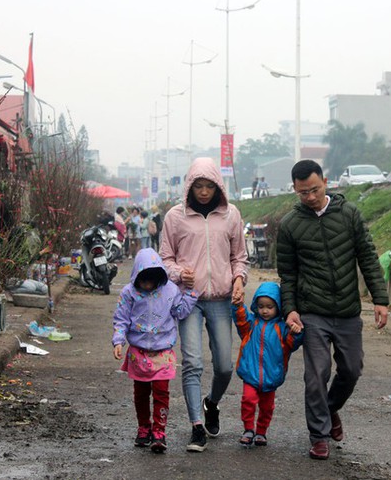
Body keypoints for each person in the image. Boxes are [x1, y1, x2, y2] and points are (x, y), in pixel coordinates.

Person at [276, 159, 389, 460]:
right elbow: (287, 274)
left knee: (351, 370)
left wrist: (380, 298)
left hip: (348, 310)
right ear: (295, 191)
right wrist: (290, 310)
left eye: (314, 190)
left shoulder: (349, 214)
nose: (310, 197)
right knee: (317, 373)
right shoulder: (290, 225)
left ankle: (330, 408)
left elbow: (367, 257)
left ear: (325, 182)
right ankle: (319, 435)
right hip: (312, 311)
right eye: (302, 193)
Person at [159, 157, 249, 452]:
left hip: (222, 299)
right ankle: (196, 426)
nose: (204, 192)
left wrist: (239, 280)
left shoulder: (231, 215)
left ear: (217, 186)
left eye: (209, 186)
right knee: (193, 363)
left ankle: (212, 403)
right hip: (189, 300)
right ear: (190, 186)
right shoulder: (175, 216)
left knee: (224, 366)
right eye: (198, 186)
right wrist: (176, 273)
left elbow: (240, 257)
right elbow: (165, 258)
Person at [112, 248, 199, 454]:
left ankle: (159, 432)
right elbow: (121, 318)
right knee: (141, 393)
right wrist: (118, 341)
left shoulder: (170, 291)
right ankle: (144, 427)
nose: (147, 286)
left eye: (152, 281)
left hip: (162, 353)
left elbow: (180, 311)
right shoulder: (129, 293)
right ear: (136, 277)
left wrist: (191, 293)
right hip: (138, 352)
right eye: (143, 281)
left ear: (159, 277)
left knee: (161, 393)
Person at [231, 281, 303, 447]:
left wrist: (297, 333)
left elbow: (292, 344)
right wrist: (237, 306)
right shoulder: (251, 324)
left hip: (271, 376)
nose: (264, 310)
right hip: (251, 373)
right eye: (261, 306)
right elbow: (240, 320)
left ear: (278, 306)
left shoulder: (282, 328)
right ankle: (248, 429)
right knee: (248, 400)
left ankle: (261, 431)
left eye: (269, 306)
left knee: (267, 407)